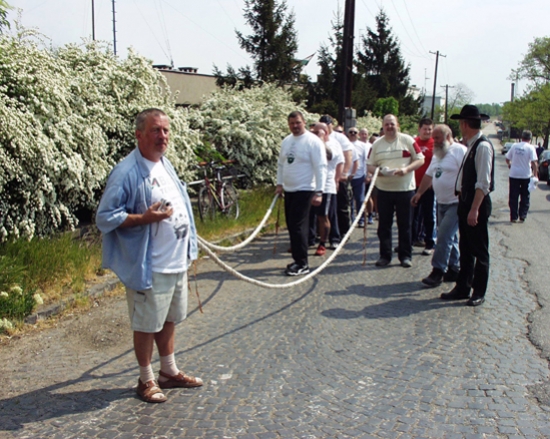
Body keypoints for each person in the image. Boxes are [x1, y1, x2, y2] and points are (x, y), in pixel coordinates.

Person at [96, 108, 203, 404]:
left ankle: (169, 372)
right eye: (156, 130)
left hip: (176, 261)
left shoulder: (165, 164)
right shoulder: (126, 172)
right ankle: (146, 379)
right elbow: (105, 217)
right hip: (150, 265)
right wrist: (143, 219)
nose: (162, 136)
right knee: (146, 324)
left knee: (169, 319)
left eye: (166, 130)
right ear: (139, 135)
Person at [441, 105, 494, 307]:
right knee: (466, 248)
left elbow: (483, 183)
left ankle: (478, 291)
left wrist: (474, 209)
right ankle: (463, 286)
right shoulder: (471, 145)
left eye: (460, 123)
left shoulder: (482, 146)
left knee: (479, 250)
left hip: (475, 204)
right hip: (465, 202)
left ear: (464, 124)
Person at [411, 124, 467, 287]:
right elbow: (429, 174)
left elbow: (467, 174)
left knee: (443, 236)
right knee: (450, 237)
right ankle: (454, 267)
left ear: (448, 136)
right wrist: (419, 193)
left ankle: (438, 270)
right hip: (441, 202)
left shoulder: (459, 151)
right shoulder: (438, 153)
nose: (434, 141)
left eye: (437, 138)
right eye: (433, 138)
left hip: (456, 203)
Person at [367, 114, 425, 268]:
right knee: (384, 225)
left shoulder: (408, 140)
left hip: (405, 190)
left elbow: (420, 159)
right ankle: (384, 256)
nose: (389, 127)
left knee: (405, 225)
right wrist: (380, 172)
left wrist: (406, 169)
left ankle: (405, 256)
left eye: (392, 124)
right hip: (384, 190)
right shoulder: (377, 144)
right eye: (386, 124)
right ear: (383, 126)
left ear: (397, 125)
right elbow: (369, 165)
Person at [276, 111, 327, 275]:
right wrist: (279, 184)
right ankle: (297, 259)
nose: (295, 126)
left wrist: (319, 191)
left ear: (304, 122)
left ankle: (302, 263)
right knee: (291, 226)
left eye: (298, 122)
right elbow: (281, 164)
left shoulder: (313, 141)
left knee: (298, 226)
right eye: (292, 123)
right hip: (289, 190)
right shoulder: (287, 141)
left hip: (305, 189)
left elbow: (321, 167)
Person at [319, 115, 354, 245]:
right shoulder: (317, 137)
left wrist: (344, 174)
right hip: (323, 179)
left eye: (328, 123)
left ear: (331, 125)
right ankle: (321, 234)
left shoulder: (339, 138)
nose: (326, 125)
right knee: (326, 210)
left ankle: (344, 231)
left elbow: (347, 155)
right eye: (323, 123)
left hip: (338, 175)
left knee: (342, 207)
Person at [310, 123, 344, 255]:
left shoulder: (333, 144)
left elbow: (330, 156)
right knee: (309, 215)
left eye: (317, 132)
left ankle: (323, 243)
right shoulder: (311, 143)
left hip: (326, 185)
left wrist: (321, 140)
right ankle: (308, 240)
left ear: (325, 132)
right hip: (310, 184)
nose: (314, 134)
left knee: (323, 215)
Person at [411, 118, 436, 255]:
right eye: (425, 129)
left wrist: (434, 181)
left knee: (428, 216)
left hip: (428, 186)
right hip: (412, 185)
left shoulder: (436, 144)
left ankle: (429, 243)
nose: (427, 132)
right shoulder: (413, 142)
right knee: (411, 215)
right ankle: (410, 241)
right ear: (419, 129)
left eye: (429, 129)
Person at [506, 130, 538, 223]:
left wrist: (510, 165)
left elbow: (507, 158)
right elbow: (534, 163)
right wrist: (535, 174)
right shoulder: (530, 148)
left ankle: (514, 216)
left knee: (513, 196)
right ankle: (522, 215)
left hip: (514, 174)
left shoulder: (515, 146)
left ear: (522, 137)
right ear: (530, 138)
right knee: (525, 196)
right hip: (525, 175)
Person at [348, 127, 370, 227]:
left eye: (355, 132)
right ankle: (352, 220)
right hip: (347, 176)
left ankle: (361, 219)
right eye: (351, 132)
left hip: (360, 176)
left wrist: (368, 175)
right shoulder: (345, 144)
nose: (353, 134)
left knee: (360, 199)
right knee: (349, 200)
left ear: (358, 134)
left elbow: (367, 161)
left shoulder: (363, 145)